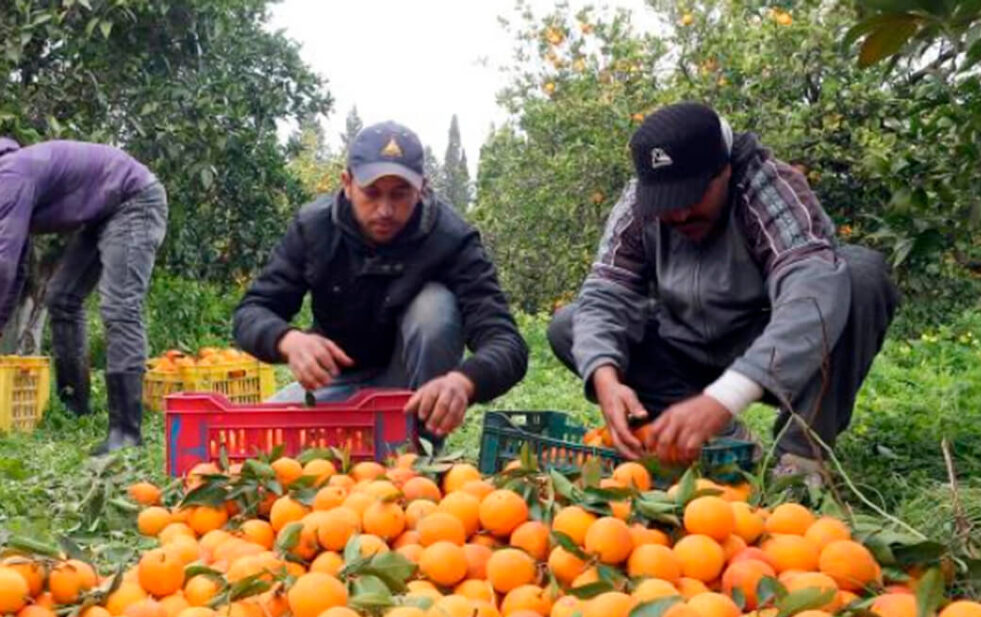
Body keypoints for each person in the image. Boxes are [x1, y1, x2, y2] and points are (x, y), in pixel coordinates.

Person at [547, 102, 899, 484]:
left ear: (725, 170)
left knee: (859, 277)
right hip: (680, 347)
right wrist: (604, 375)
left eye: (691, 196)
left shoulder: (765, 186)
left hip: (772, 350)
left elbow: (809, 286)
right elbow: (605, 294)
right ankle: (718, 438)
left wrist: (729, 394)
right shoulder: (638, 204)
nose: (680, 215)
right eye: (667, 203)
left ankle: (801, 457)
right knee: (573, 325)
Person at [233, 121, 528, 441]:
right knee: (258, 441)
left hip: (412, 392)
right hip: (338, 381)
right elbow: (252, 311)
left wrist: (464, 381)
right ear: (347, 184)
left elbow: (506, 341)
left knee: (434, 307)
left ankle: (419, 449)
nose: (385, 210)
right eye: (371, 193)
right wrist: (288, 340)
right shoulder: (315, 228)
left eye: (400, 194)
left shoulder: (451, 239)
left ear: (422, 188)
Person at [0, 137, 168, 453]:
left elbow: (3, 266)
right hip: (103, 212)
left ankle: (126, 432)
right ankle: (74, 407)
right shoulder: (13, 177)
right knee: (61, 298)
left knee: (120, 307)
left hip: (135, 200)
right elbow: (16, 264)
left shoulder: (9, 177)